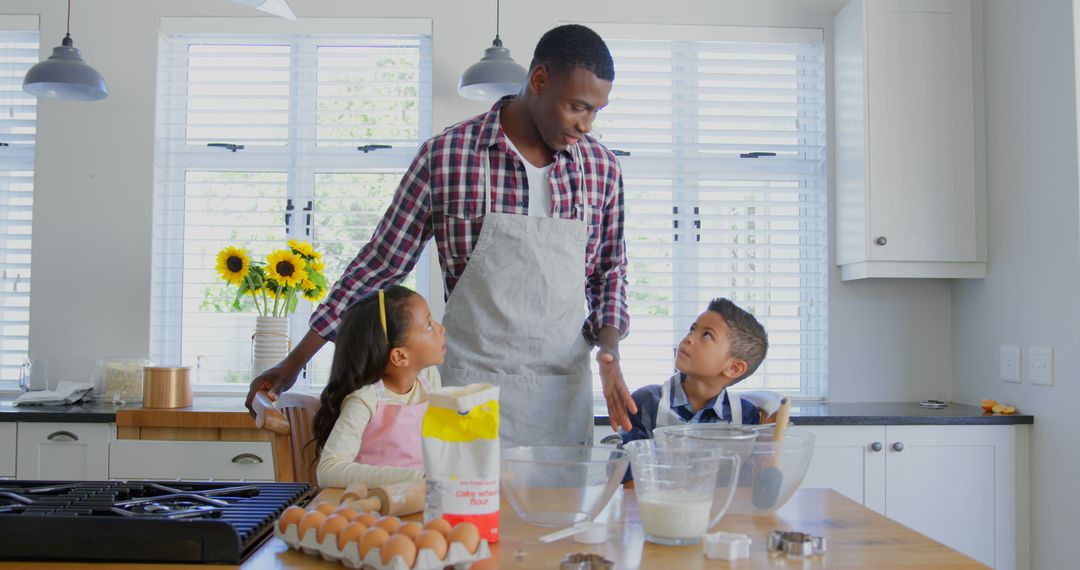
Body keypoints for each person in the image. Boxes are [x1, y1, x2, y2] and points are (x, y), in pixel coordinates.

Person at [246, 24, 636, 447]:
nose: (587, 125)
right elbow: (379, 265)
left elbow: (608, 273)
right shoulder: (446, 156)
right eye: (578, 107)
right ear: (539, 80)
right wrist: (293, 361)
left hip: (559, 398)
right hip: (465, 391)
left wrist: (609, 352)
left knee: (554, 515)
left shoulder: (601, 169)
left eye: (596, 111)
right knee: (460, 512)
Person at [311, 285, 446, 487]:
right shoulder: (365, 400)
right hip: (371, 511)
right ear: (400, 356)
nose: (441, 328)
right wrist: (414, 477)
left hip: (417, 503)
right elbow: (328, 470)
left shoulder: (429, 379)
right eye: (428, 326)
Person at [621, 298, 770, 445]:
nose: (689, 338)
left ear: (733, 368)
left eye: (707, 335)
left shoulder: (745, 416)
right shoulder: (646, 401)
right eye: (693, 329)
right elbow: (628, 464)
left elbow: (748, 468)